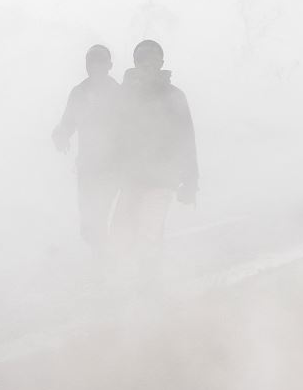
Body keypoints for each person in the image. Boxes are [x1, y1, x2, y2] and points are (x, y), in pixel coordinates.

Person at [111, 40, 197, 276]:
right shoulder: (124, 95)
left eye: (153, 60)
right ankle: (122, 282)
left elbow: (186, 138)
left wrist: (191, 181)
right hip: (131, 178)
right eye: (143, 60)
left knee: (149, 234)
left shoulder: (174, 96)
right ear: (136, 63)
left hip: (161, 178)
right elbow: (112, 136)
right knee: (119, 232)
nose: (149, 65)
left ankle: (147, 290)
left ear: (161, 62)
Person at [52, 44, 123, 246]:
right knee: (89, 219)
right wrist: (60, 135)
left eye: (100, 63)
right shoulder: (80, 92)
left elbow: (130, 126)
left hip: (113, 165)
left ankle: (106, 259)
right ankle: (101, 257)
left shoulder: (117, 92)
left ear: (109, 65)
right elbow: (68, 121)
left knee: (100, 214)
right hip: (88, 166)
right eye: (91, 63)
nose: (95, 68)